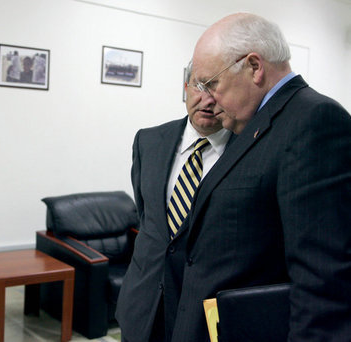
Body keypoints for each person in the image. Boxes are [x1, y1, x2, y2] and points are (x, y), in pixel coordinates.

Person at [164, 13, 351, 342]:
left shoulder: (314, 121)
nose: (208, 99)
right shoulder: (251, 123)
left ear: (254, 67)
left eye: (213, 84)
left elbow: (323, 281)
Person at [115, 61, 232, 342]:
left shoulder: (248, 148)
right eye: (200, 85)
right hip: (143, 303)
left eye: (220, 88)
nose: (208, 99)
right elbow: (148, 218)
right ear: (186, 87)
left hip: (207, 313)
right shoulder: (149, 140)